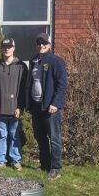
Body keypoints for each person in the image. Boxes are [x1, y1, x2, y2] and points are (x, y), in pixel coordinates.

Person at [26, 33, 68, 180]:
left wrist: (55, 103)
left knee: (54, 138)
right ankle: (44, 164)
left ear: (49, 45)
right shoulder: (34, 61)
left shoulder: (56, 61)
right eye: (39, 43)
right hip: (37, 106)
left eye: (44, 43)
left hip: (51, 107)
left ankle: (55, 168)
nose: (41, 46)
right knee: (40, 137)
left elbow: (62, 85)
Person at [0, 38, 28, 172]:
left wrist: (20, 107)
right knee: (1, 135)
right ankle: (0, 161)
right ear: (1, 49)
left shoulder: (21, 66)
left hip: (15, 108)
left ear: (14, 48)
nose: (7, 49)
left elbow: (24, 89)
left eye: (9, 47)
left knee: (14, 134)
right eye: (4, 47)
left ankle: (16, 160)